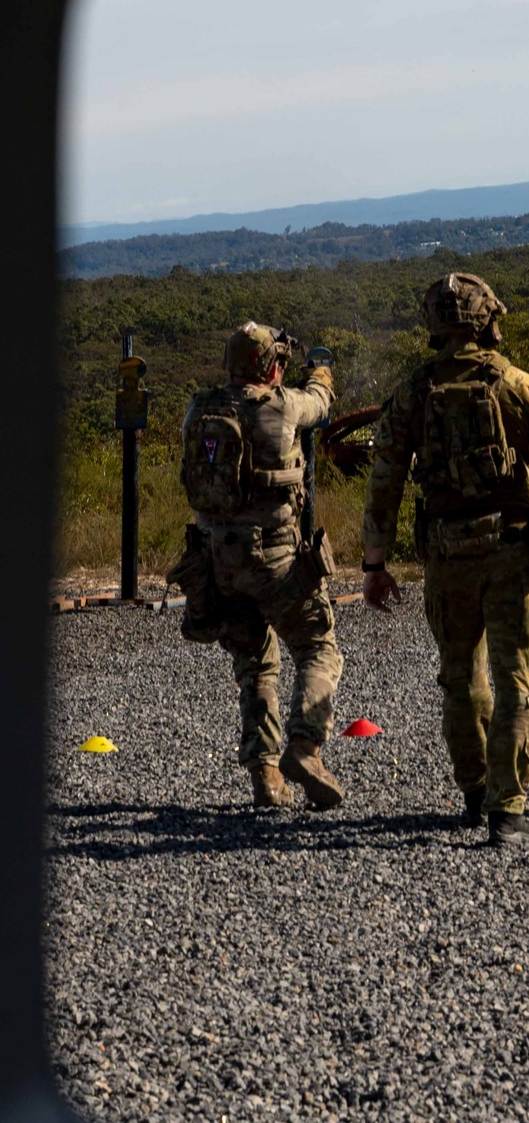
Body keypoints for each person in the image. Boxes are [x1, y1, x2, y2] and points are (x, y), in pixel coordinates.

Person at [361, 272, 529, 847]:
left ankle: (472, 792)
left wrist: (374, 564)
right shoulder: (516, 384)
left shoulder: (413, 392)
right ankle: (507, 809)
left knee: (459, 678)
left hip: (446, 558)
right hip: (511, 556)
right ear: (487, 319)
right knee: (516, 678)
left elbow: (384, 481)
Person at [169, 321, 346, 810]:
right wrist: (322, 372)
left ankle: (266, 777)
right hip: (275, 558)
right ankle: (306, 746)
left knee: (255, 664)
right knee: (318, 649)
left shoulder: (197, 410)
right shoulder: (282, 406)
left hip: (215, 560)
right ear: (271, 366)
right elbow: (320, 404)